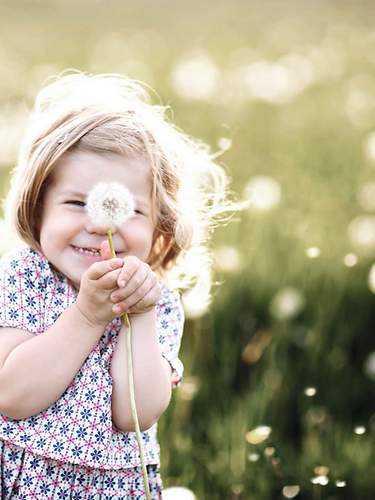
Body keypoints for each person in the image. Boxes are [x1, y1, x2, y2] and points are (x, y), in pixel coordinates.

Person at [0, 71, 232, 499]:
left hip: (117, 487)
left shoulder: (154, 301)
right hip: (23, 478)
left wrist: (138, 320)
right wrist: (88, 316)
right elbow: (12, 395)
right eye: (75, 203)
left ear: (159, 226)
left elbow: (135, 414)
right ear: (37, 211)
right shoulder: (24, 278)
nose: (99, 224)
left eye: (126, 210)